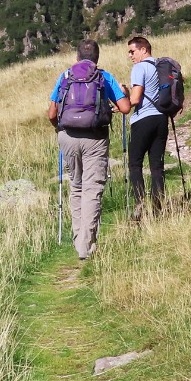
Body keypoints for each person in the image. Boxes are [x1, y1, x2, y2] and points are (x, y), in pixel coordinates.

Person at [47, 40, 130, 260]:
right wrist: (122, 94)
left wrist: (59, 130)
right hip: (95, 137)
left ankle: (78, 240)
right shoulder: (103, 77)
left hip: (68, 136)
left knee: (76, 186)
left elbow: (51, 114)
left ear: (77, 57)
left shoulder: (65, 76)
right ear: (97, 57)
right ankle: (86, 244)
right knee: (92, 189)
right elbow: (125, 108)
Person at [126, 35, 176, 219]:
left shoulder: (140, 68)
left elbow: (136, 98)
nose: (130, 55)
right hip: (161, 118)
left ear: (143, 49)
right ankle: (158, 206)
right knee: (157, 165)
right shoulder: (160, 67)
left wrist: (122, 102)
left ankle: (140, 205)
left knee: (135, 163)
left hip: (143, 119)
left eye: (132, 51)